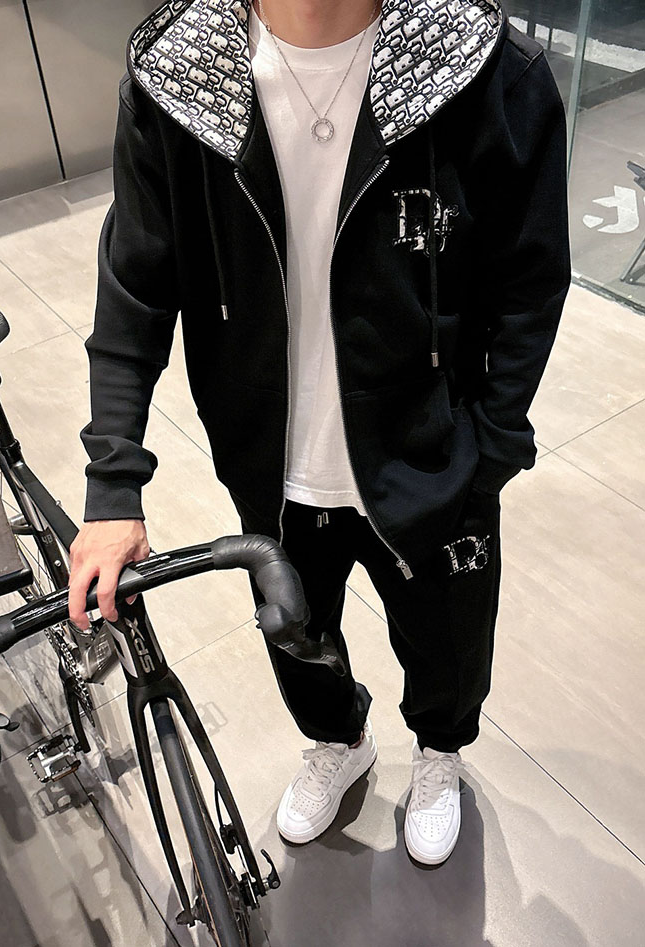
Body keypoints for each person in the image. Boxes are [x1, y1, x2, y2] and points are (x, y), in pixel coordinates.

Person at [68, 0, 571, 868]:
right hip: (272, 459)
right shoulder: (182, 74)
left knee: (449, 638)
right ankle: (339, 740)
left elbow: (529, 280)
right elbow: (135, 287)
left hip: (432, 452)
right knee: (296, 631)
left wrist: (491, 444)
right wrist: (113, 485)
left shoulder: (481, 64)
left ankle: (440, 751)